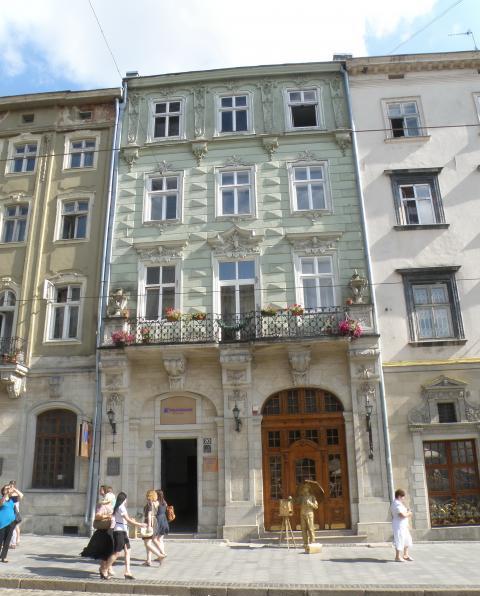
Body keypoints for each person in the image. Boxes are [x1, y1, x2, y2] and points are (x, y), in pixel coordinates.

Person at [105, 492, 146, 580]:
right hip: (119, 532)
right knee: (117, 553)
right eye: (126, 499)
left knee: (128, 551)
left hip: (122, 531)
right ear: (124, 499)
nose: (126, 500)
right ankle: (105, 569)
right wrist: (140, 524)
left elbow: (125, 519)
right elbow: (127, 519)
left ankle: (127, 571)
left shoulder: (118, 507)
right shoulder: (121, 507)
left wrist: (130, 521)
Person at [80, 492, 115, 578]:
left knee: (107, 552)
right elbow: (97, 516)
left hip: (109, 531)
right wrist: (107, 516)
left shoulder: (111, 506)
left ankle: (104, 569)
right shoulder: (103, 506)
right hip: (103, 532)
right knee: (105, 552)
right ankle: (103, 569)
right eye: (113, 498)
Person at [142, 490, 165, 566]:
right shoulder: (155, 503)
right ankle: (149, 560)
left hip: (149, 523)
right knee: (148, 542)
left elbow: (149, 515)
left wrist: (149, 526)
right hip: (154, 522)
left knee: (147, 544)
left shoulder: (149, 504)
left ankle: (160, 555)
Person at [0, 483, 22, 563]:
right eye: (6, 488)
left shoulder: (12, 500)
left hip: (11, 523)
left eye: (8, 488)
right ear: (3, 491)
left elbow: (21, 496)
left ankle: (3, 557)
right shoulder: (1, 498)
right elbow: (1, 503)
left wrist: (14, 489)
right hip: (2, 523)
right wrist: (6, 494)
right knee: (0, 541)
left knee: (7, 541)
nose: (8, 489)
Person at [391, 488, 413, 562]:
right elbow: (402, 515)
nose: (404, 498)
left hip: (403, 525)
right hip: (399, 525)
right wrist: (409, 513)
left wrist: (407, 512)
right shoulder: (396, 504)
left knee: (406, 539)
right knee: (399, 539)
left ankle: (405, 555)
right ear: (399, 496)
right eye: (403, 497)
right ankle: (397, 557)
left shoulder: (399, 503)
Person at [297, 483, 318, 551]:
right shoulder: (302, 497)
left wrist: (310, 503)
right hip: (302, 514)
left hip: (309, 514)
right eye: (304, 488)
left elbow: (316, 506)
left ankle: (312, 542)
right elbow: (296, 502)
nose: (304, 489)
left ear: (308, 489)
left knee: (310, 528)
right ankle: (305, 543)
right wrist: (291, 499)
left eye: (305, 488)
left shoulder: (312, 497)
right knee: (303, 529)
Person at [154, 489, 170, 558]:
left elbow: (154, 512)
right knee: (160, 539)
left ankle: (162, 553)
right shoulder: (164, 502)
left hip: (158, 520)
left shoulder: (156, 503)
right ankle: (161, 554)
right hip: (164, 519)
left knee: (156, 539)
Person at [8, 481, 23, 549]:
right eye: (11, 485)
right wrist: (9, 491)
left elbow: (21, 496)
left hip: (16, 510)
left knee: (16, 525)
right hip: (10, 509)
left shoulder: (16, 492)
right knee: (12, 526)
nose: (11, 486)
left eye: (13, 485)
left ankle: (17, 538)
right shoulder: (8, 492)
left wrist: (15, 490)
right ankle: (12, 541)